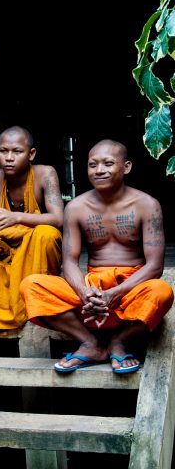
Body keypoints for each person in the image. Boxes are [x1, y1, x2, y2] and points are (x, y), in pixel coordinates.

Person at [20, 139, 174, 374]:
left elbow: (154, 266)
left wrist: (114, 294)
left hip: (130, 289)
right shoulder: (77, 207)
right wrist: (84, 292)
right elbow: (69, 262)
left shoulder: (147, 205)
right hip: (92, 291)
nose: (99, 170)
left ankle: (118, 341)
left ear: (127, 167)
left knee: (162, 292)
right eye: (93, 165)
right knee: (31, 285)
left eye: (108, 163)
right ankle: (90, 343)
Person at [0, 125, 64, 331]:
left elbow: (59, 219)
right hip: (3, 246)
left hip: (32, 247)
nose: (9, 157)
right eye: (3, 151)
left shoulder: (46, 174)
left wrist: (15, 217)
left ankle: (34, 296)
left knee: (48, 233)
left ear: (31, 154)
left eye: (17, 152)